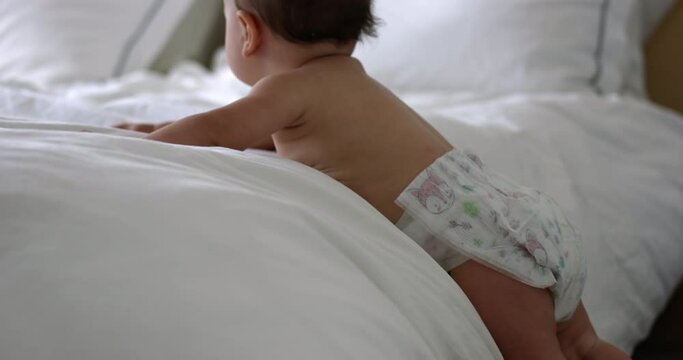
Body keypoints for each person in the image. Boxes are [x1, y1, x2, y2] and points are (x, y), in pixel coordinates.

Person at [117, 1, 630, 359]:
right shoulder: (352, 80)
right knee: (584, 346)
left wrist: (149, 142)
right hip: (515, 218)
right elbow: (275, 139)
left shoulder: (284, 91)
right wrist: (165, 125)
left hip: (479, 253)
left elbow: (218, 130)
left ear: (246, 31)